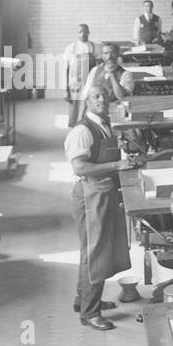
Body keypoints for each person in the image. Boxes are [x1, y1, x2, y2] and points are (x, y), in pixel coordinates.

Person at [64, 85, 135, 329]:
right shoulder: (83, 130)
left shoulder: (104, 125)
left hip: (102, 193)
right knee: (95, 255)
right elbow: (80, 168)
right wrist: (117, 166)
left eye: (104, 96)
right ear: (87, 101)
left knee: (91, 252)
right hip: (90, 195)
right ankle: (90, 313)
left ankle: (82, 300)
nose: (102, 100)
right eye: (96, 96)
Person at [63, 24, 101, 127]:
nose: (83, 34)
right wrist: (65, 89)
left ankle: (87, 127)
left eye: (85, 31)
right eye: (80, 32)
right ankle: (74, 128)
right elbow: (65, 69)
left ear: (89, 32)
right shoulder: (71, 48)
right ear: (77, 33)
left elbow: (98, 67)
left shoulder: (94, 47)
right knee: (75, 107)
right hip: (75, 83)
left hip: (90, 82)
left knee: (88, 106)